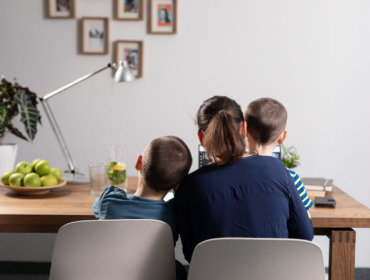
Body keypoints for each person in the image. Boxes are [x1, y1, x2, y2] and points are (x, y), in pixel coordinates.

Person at [174, 96, 313, 263]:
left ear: (200, 137)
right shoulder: (277, 170)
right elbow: (305, 236)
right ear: (244, 129)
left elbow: (191, 254)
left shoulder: (188, 186)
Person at [93, 136, 192, 279]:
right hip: (154, 275)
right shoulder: (174, 214)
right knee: (178, 269)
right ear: (177, 185)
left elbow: (96, 208)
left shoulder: (110, 200)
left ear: (139, 162)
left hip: (113, 274)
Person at [244, 97, 313, 214]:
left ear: (244, 130)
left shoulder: (230, 174)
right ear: (282, 137)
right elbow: (304, 219)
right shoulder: (291, 179)